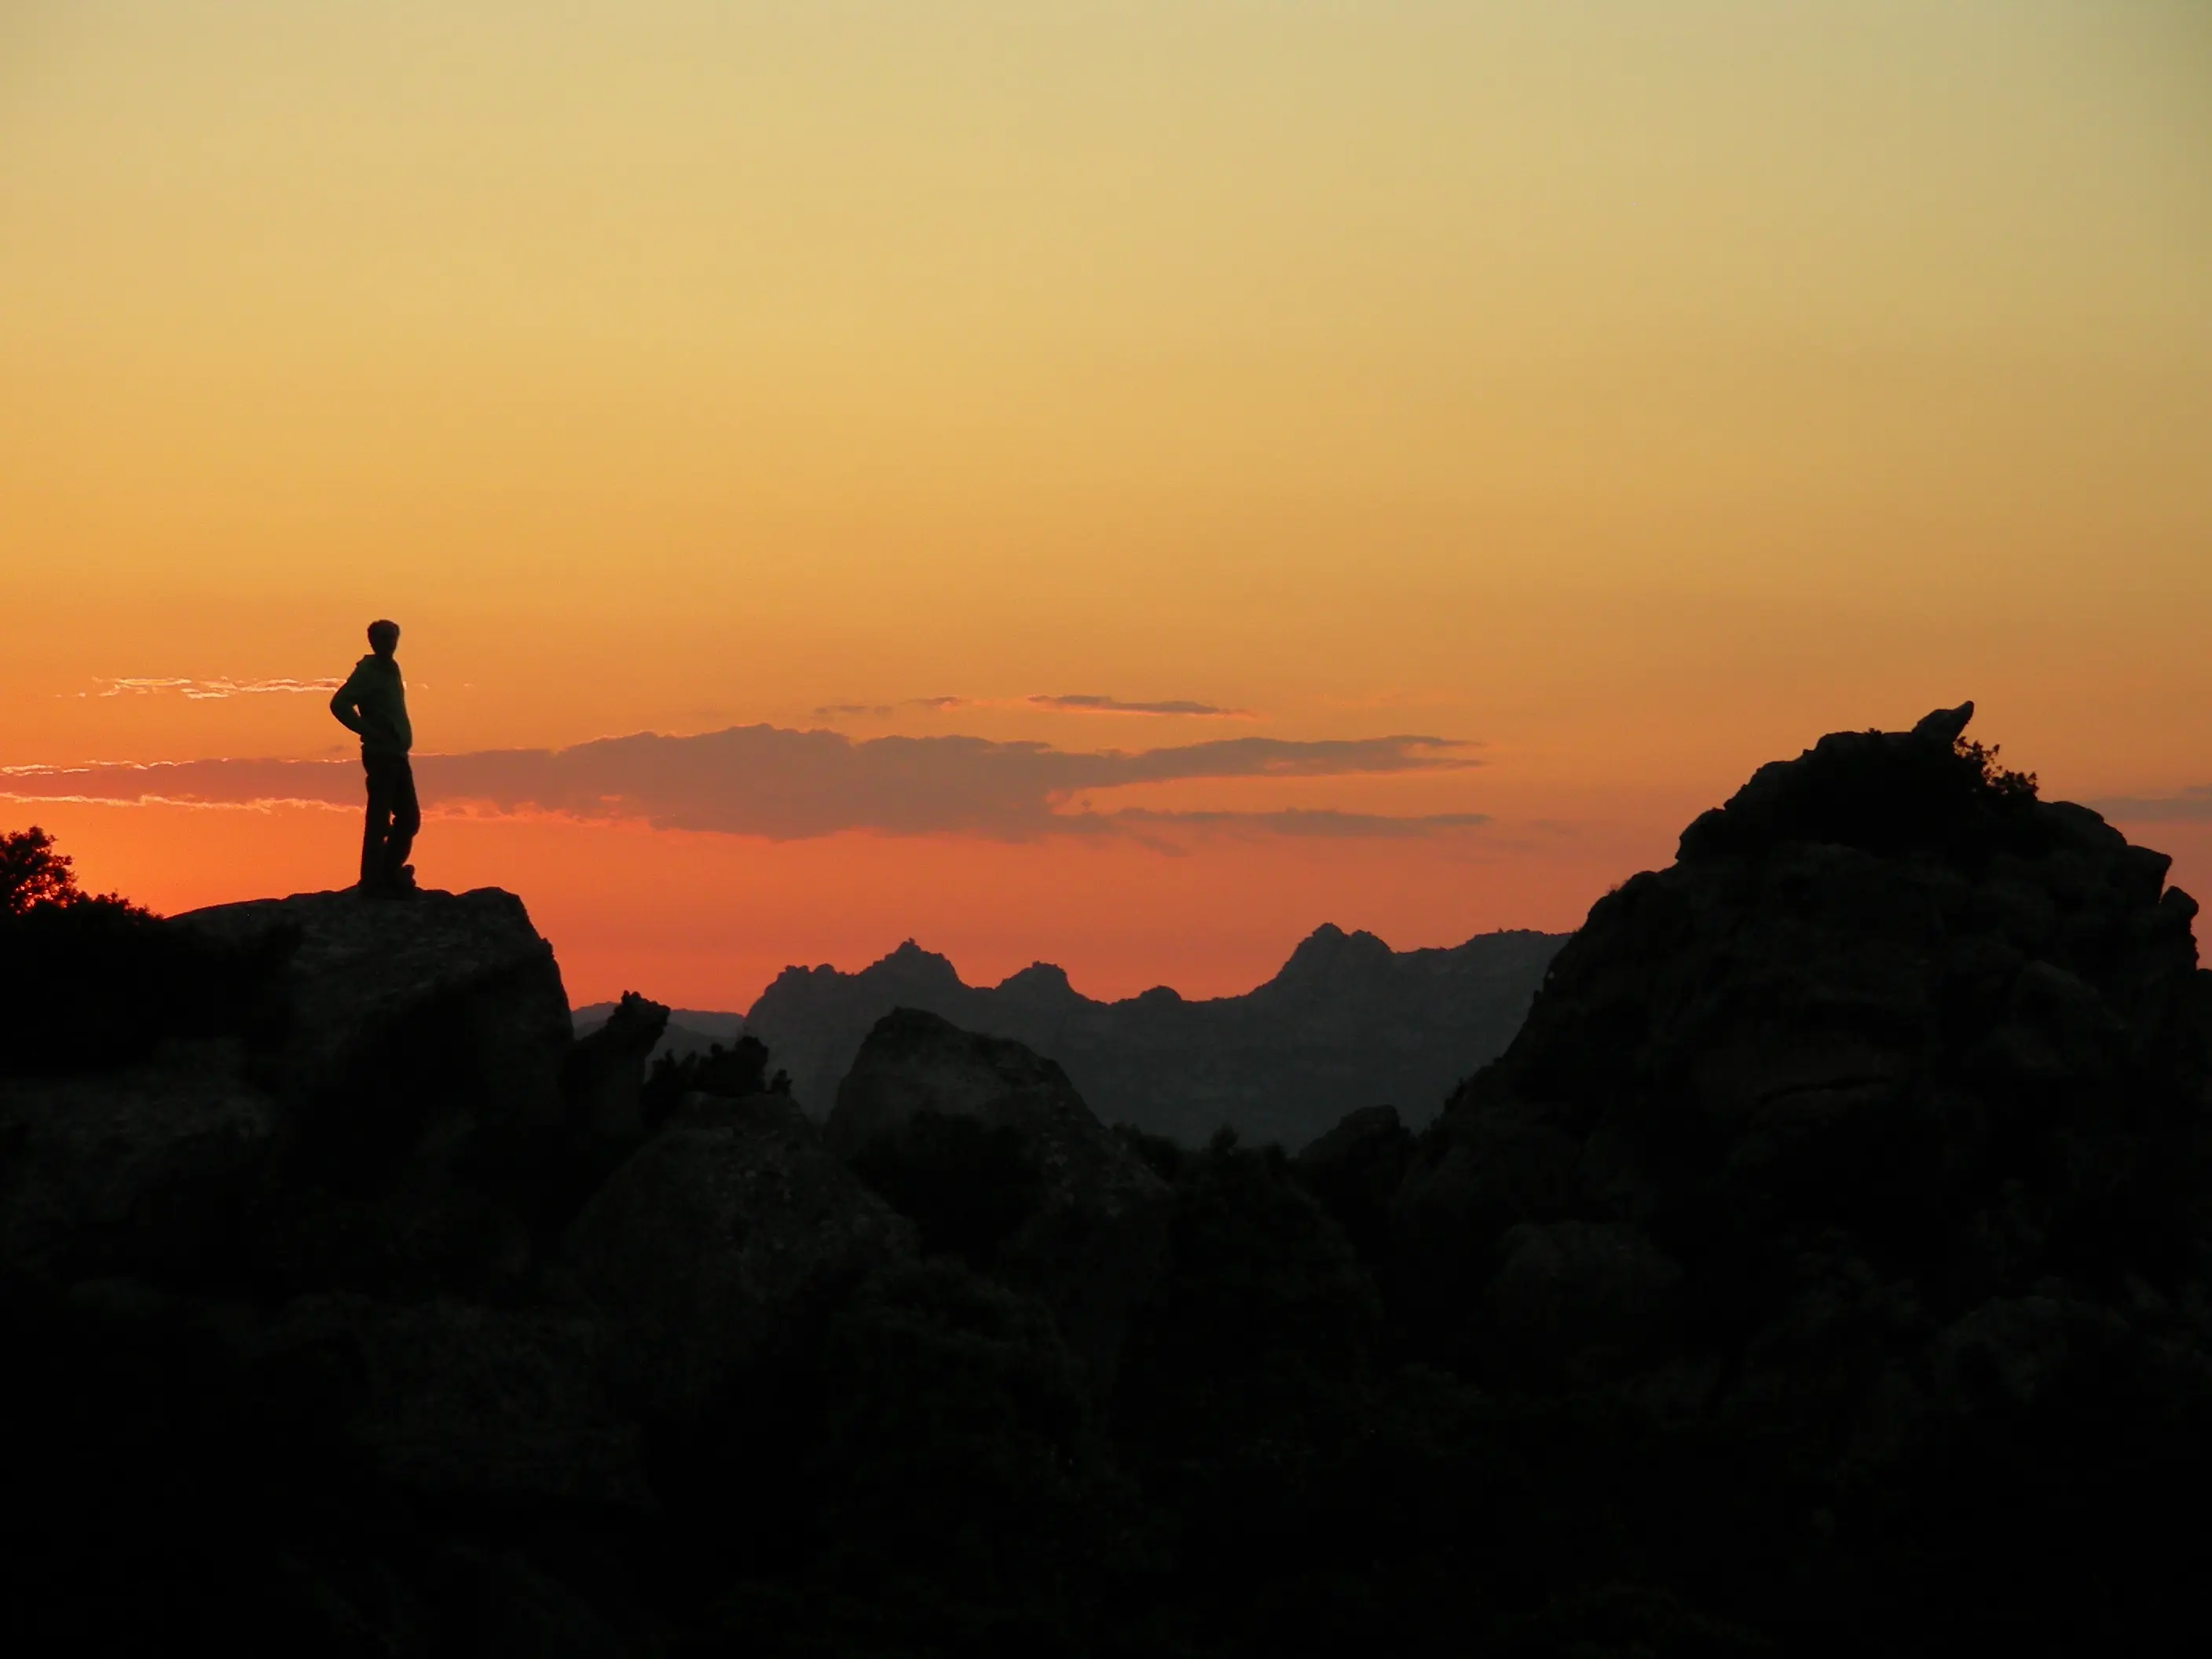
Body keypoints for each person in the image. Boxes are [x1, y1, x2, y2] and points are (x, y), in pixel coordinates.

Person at [329, 619, 419, 895]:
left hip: (397, 754)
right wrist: (367, 729)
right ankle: (373, 880)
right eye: (382, 637)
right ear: (372, 640)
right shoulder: (368, 671)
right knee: (380, 818)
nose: (388, 642)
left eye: (392, 637)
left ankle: (387, 872)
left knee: (409, 819)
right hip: (381, 755)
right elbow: (339, 703)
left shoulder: (391, 669)